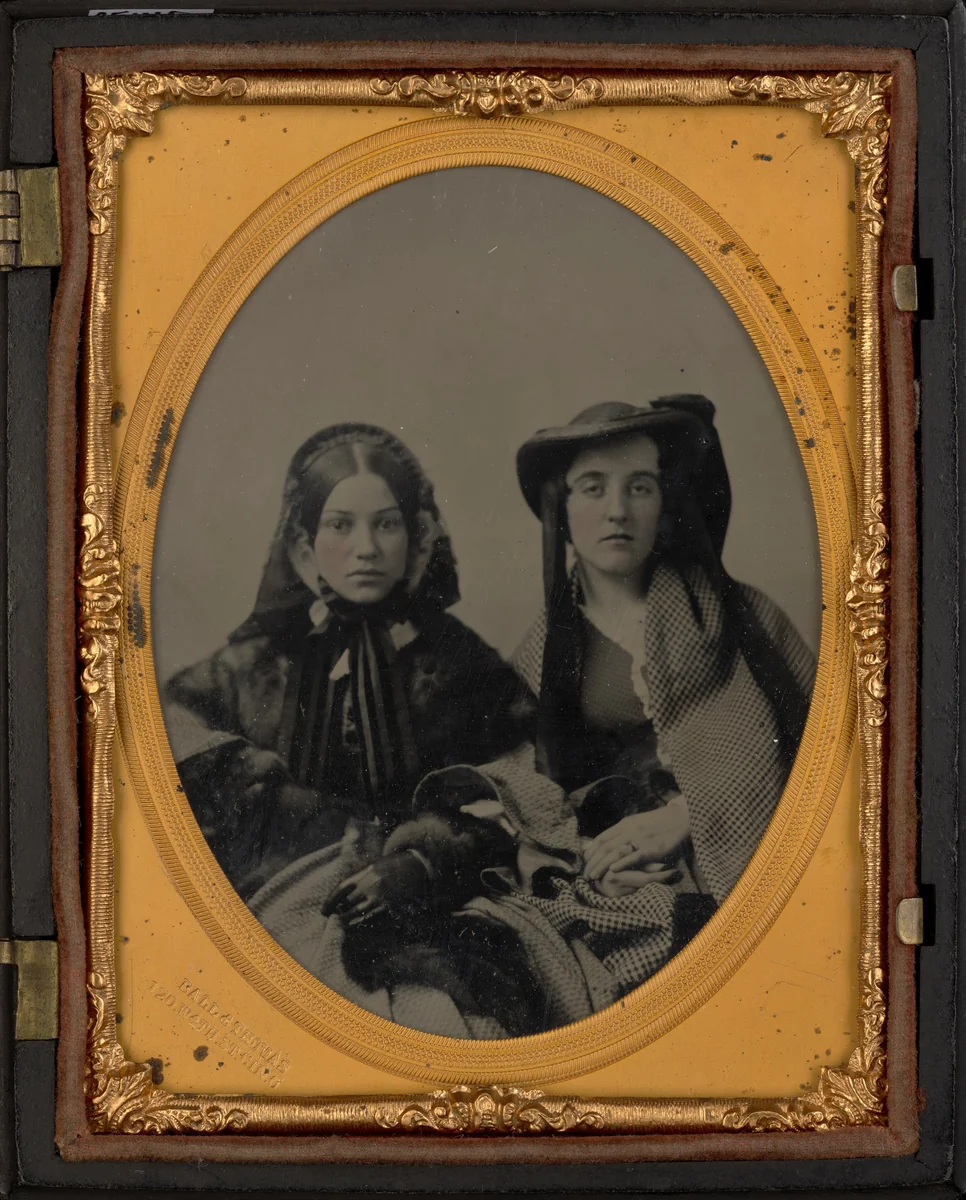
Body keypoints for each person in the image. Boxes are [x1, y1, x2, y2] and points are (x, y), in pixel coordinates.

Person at [366, 397, 816, 1036]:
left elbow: (829, 750)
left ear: (664, 504)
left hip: (749, 860)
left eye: (640, 486)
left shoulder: (742, 619)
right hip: (612, 871)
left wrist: (686, 818)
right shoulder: (544, 652)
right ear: (561, 508)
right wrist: (592, 861)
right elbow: (527, 792)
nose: (617, 509)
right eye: (592, 487)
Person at [162, 424, 536, 1032]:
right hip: (279, 890)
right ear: (305, 552)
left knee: (460, 1005)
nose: (365, 547)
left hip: (434, 897)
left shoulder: (465, 666)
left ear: (416, 542)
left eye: (386, 525)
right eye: (341, 526)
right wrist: (272, 802)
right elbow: (166, 736)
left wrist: (420, 859)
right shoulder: (253, 664)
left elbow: (519, 791)